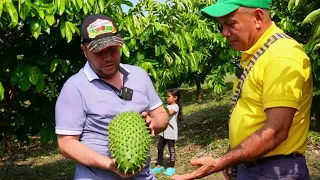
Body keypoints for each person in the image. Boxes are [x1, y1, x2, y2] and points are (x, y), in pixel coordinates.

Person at [171, 0, 312, 179]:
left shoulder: (282, 56)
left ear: (258, 18)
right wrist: (234, 155)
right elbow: (250, 111)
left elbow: (276, 131)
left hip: (274, 171)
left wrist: (220, 162)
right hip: (254, 165)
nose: (224, 33)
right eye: (221, 25)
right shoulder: (258, 52)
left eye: (230, 24)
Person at [55, 14, 169, 180]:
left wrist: (153, 124)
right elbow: (66, 143)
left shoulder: (139, 75)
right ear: (84, 50)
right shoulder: (74, 88)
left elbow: (161, 115)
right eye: (99, 52)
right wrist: (109, 164)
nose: (107, 57)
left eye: (113, 49)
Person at [152, 88, 183, 176]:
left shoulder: (175, 107)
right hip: (163, 131)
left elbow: (168, 113)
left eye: (168, 96)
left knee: (171, 149)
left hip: (171, 132)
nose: (166, 98)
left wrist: (159, 109)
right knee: (160, 147)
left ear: (175, 97)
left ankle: (171, 167)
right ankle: (159, 165)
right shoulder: (166, 105)